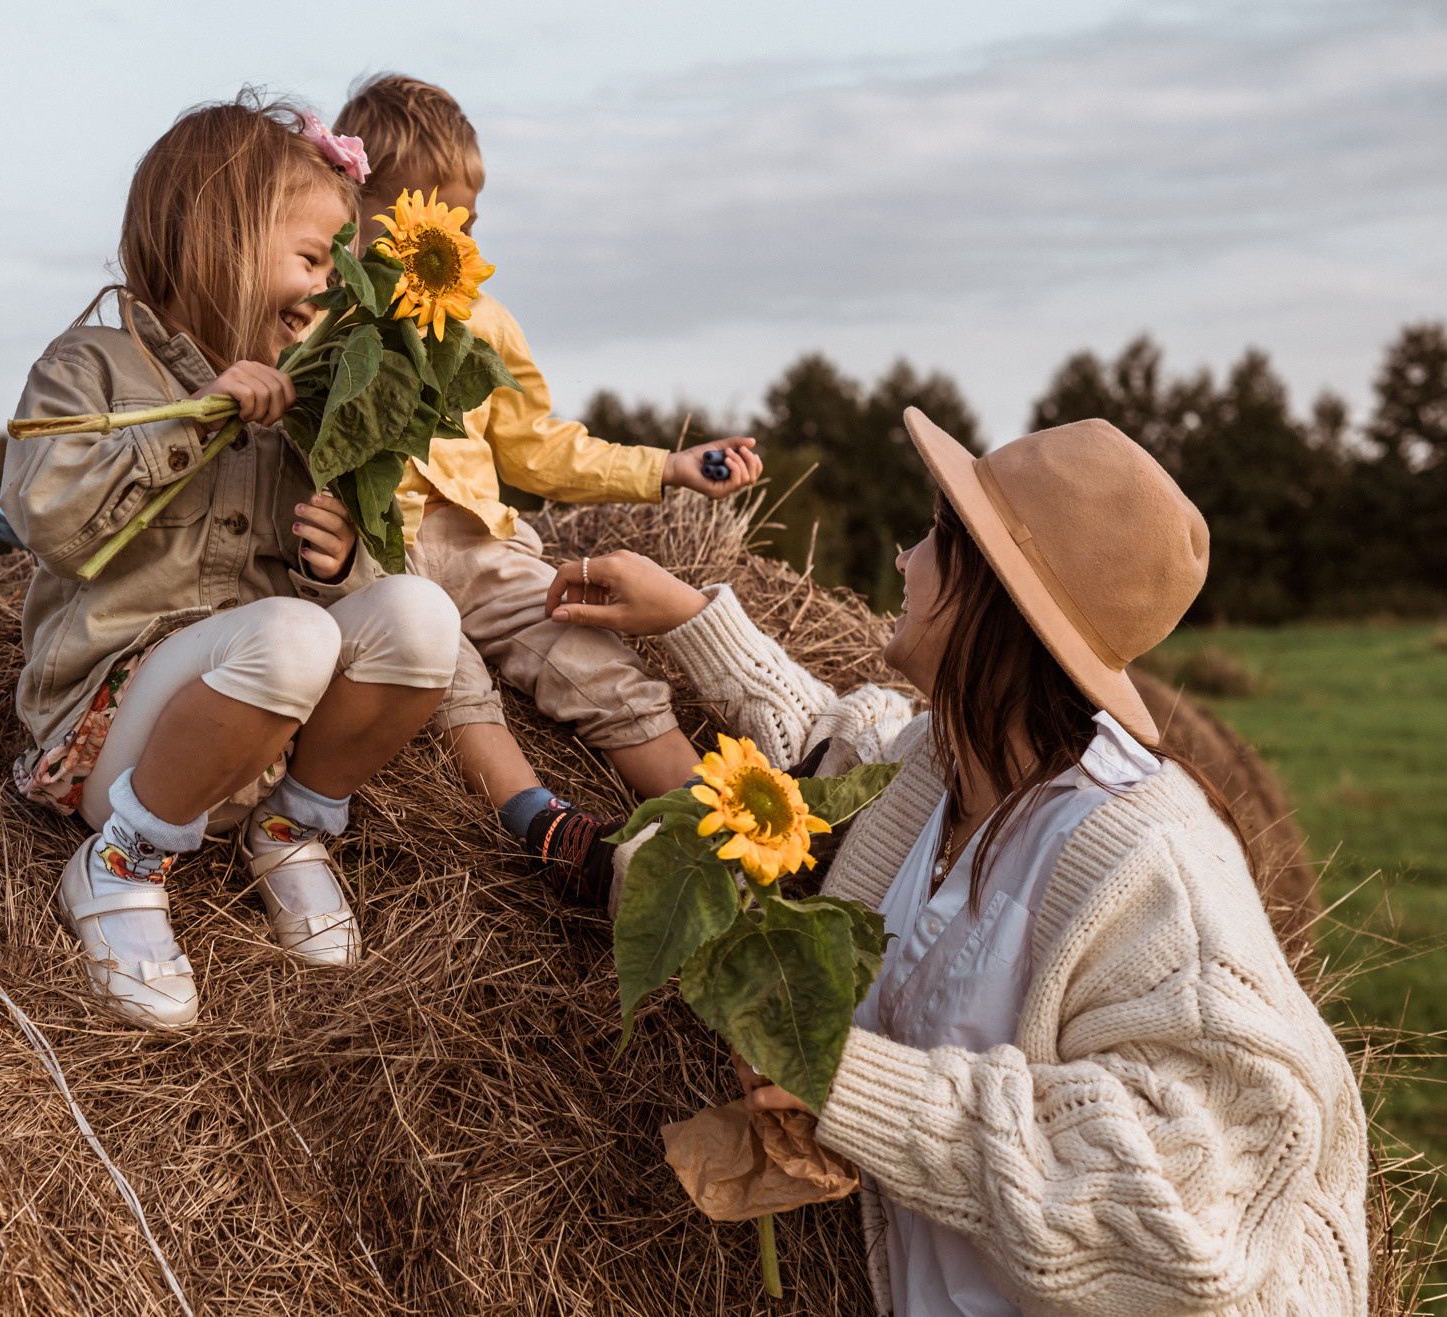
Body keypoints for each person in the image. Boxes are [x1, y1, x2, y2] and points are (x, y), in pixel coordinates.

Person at [545, 409, 1367, 1315]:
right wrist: (695, 617)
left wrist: (853, 1082)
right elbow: (835, 753)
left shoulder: (1155, 867)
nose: (903, 558)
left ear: (994, 602)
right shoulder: (948, 765)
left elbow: (1195, 1207)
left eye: (936, 539)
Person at [0, 96, 461, 1030]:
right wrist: (189, 422)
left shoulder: (306, 404)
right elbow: (50, 520)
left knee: (422, 616)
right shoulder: (91, 365)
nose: (331, 292)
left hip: (253, 733)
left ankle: (288, 826)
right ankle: (119, 863)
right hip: (112, 734)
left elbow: (358, 621)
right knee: (289, 636)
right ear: (220, 242)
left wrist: (340, 568)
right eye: (313, 260)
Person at [332, 75, 765, 907]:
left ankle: (734, 841)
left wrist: (664, 467)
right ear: (355, 204)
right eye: (425, 217)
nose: (447, 238)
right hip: (378, 551)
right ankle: (546, 823)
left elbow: (536, 449)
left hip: (480, 540)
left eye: (466, 221)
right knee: (447, 676)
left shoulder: (483, 322)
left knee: (582, 641)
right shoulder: (321, 317)